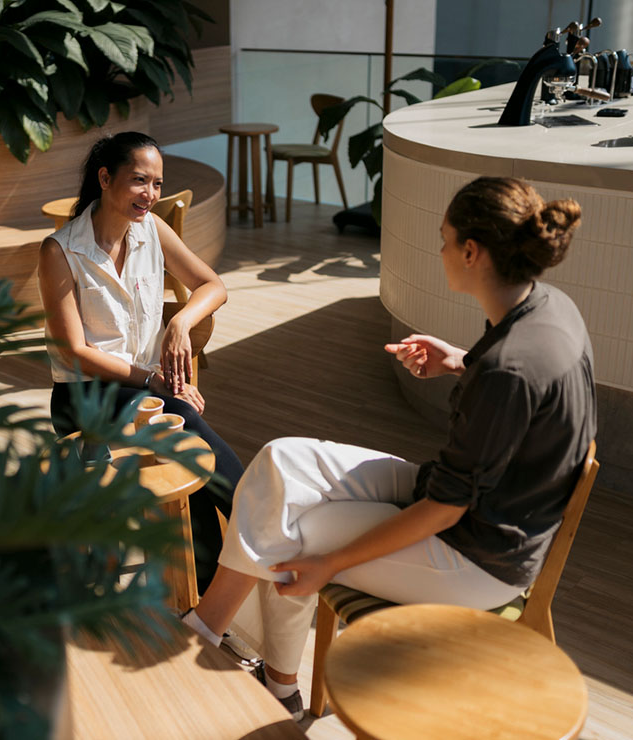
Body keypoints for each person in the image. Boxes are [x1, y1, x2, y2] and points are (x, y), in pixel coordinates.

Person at [180, 176, 596, 720]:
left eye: (445, 238)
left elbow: (448, 505)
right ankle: (224, 640)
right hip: (467, 502)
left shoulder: (507, 371)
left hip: (477, 556)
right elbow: (521, 398)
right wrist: (458, 362)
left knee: (295, 537)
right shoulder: (548, 307)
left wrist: (328, 564)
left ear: (472, 252)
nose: (440, 248)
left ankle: (245, 662)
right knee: (283, 460)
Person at [38, 131, 244, 595]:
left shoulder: (152, 229)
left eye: (157, 183)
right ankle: (250, 520)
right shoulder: (60, 252)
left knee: (178, 432)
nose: (150, 194)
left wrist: (180, 323)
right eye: (139, 181)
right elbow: (76, 353)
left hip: (144, 391)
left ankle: (204, 592)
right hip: (83, 395)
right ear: (106, 178)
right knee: (179, 421)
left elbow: (214, 285)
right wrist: (156, 381)